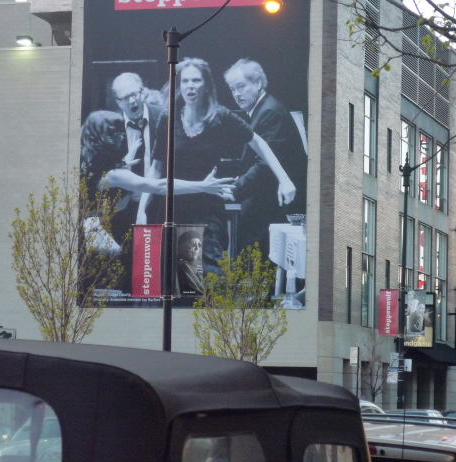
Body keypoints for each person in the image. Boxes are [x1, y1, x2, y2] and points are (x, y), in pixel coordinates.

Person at [141, 57, 296, 276]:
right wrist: (141, 211)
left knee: (196, 281)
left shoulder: (219, 116)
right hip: (172, 207)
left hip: (205, 210)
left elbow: (259, 142)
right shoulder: (168, 118)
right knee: (171, 282)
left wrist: (284, 179)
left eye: (196, 80)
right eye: (185, 81)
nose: (190, 86)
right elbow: (156, 168)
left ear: (206, 85)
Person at [80, 110, 234, 294]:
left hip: (85, 228)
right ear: (104, 138)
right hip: (91, 232)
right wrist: (202, 186)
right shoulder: (113, 175)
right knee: (123, 263)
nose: (121, 138)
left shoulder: (86, 163)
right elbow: (160, 186)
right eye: (115, 134)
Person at [224, 59, 307, 253]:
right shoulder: (263, 109)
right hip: (267, 207)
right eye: (232, 89)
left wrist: (233, 190)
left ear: (258, 83)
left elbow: (264, 166)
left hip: (270, 209)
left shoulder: (270, 112)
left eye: (241, 86)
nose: (237, 94)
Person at [176, 229, 204, 296]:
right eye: (193, 244)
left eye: (199, 245)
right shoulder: (183, 265)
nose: (197, 248)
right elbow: (201, 293)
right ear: (181, 247)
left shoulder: (190, 265)